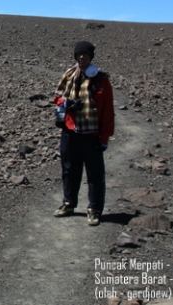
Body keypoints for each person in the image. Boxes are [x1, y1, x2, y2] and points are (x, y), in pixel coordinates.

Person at [53, 41, 114, 226]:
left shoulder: (101, 80)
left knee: (94, 173)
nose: (81, 57)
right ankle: (69, 202)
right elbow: (57, 99)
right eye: (78, 54)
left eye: (85, 54)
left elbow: (107, 110)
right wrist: (67, 104)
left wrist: (104, 137)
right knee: (70, 169)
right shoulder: (69, 76)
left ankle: (94, 209)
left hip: (92, 134)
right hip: (70, 130)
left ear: (91, 57)